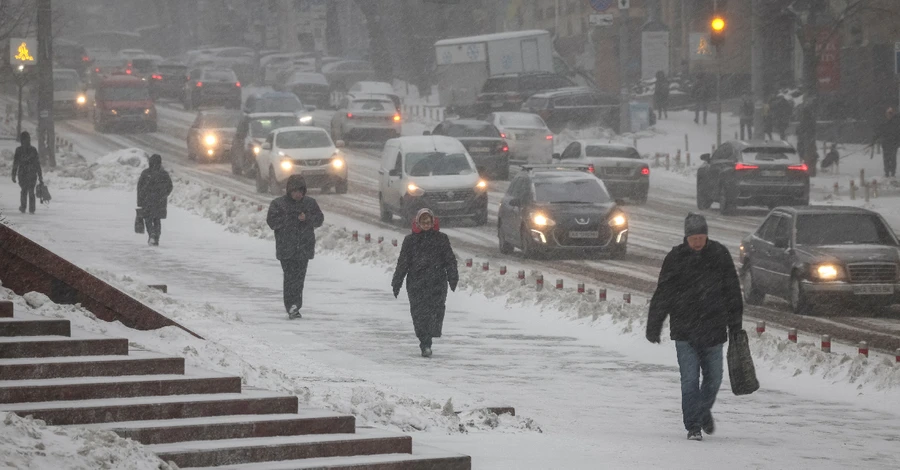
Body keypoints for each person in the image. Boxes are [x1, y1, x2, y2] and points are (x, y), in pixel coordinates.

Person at [646, 213, 743, 441]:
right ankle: (693, 426)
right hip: (685, 330)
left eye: (701, 237)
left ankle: (701, 411)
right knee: (689, 380)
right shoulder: (675, 258)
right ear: (686, 238)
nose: (698, 242)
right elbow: (663, 293)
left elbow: (732, 290)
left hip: (713, 329)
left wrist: (735, 323)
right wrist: (654, 324)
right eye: (694, 238)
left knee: (714, 379)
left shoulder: (719, 255)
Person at [391, 208, 458, 358]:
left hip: (437, 283)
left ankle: (429, 338)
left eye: (429, 222)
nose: (426, 225)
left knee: (435, 312)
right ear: (418, 223)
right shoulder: (410, 241)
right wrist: (397, 281)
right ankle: (425, 342)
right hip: (417, 283)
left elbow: (449, 260)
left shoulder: (441, 239)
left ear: (433, 223)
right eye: (423, 222)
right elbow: (403, 262)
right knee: (419, 314)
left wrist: (453, 277)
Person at [266, 175, 324, 319]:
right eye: (295, 191)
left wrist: (307, 219)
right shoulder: (278, 204)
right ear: (289, 191)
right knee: (290, 278)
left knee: (299, 279)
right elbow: (272, 222)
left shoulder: (310, 204)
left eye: (301, 191)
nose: (298, 194)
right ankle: (291, 304)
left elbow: (319, 219)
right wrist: (290, 219)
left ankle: (295, 305)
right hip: (286, 249)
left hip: (304, 248)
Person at [136, 154, 173, 246]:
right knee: (157, 220)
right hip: (159, 202)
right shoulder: (164, 174)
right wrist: (164, 195)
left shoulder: (145, 173)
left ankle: (151, 234)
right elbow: (169, 186)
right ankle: (156, 237)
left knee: (148, 219)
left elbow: (140, 188)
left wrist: (140, 201)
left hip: (147, 201)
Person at [11, 131, 43, 214]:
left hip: (22, 173)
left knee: (24, 190)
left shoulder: (19, 150)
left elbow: (15, 163)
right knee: (31, 191)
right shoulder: (33, 150)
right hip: (32, 173)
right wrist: (40, 176)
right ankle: (32, 209)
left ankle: (23, 207)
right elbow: (37, 164)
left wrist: (13, 175)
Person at [873, 107, 900, 177]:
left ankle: (893, 173)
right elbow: (879, 132)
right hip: (885, 144)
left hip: (894, 144)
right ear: (886, 114)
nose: (889, 115)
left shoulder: (896, 123)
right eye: (888, 113)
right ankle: (887, 173)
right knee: (886, 159)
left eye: (891, 113)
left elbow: (898, 133)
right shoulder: (883, 123)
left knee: (893, 159)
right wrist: (874, 139)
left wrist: (897, 142)